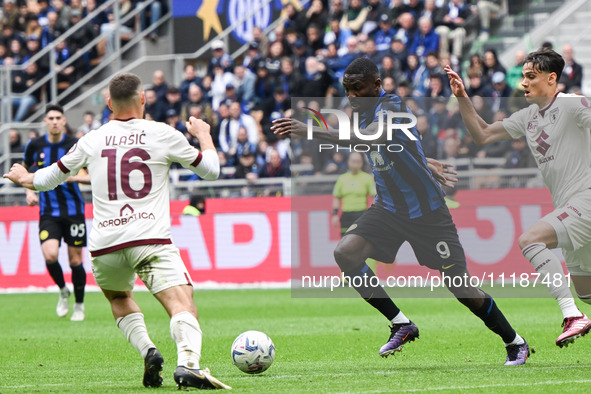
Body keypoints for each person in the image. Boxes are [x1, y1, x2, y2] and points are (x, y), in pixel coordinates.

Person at [272, 57, 529, 365]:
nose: (351, 96)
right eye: (347, 90)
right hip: (389, 209)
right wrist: (427, 162)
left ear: (376, 85)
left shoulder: (391, 105)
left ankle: (515, 341)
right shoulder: (366, 112)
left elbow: (374, 138)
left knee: (461, 288)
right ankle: (400, 323)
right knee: (346, 253)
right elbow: (402, 143)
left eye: (358, 89)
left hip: (428, 213)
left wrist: (310, 130)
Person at [4, 73, 230, 390]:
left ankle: (148, 350)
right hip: (148, 239)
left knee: (119, 297)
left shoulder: (92, 139)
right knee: (181, 303)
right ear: (143, 100)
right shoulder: (162, 133)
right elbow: (211, 170)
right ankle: (188, 365)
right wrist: (204, 134)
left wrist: (24, 177)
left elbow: (46, 180)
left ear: (109, 103)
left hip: (105, 244)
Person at [445, 47, 591, 347]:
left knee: (530, 240)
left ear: (552, 79)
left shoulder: (574, 105)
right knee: (586, 292)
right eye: (523, 76)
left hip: (585, 200)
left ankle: (571, 316)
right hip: (569, 207)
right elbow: (483, 134)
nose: (523, 83)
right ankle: (577, 309)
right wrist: (461, 96)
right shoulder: (527, 117)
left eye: (530, 77)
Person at [22, 105, 89, 321]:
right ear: (44, 121)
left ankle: (79, 304)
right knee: (50, 254)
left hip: (73, 211)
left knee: (75, 261)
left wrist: (72, 177)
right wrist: (28, 192)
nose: (54, 121)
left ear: (64, 120)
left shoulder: (75, 145)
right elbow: (23, 172)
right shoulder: (35, 145)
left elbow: (89, 175)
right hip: (48, 211)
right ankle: (62, 290)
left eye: (58, 118)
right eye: (50, 118)